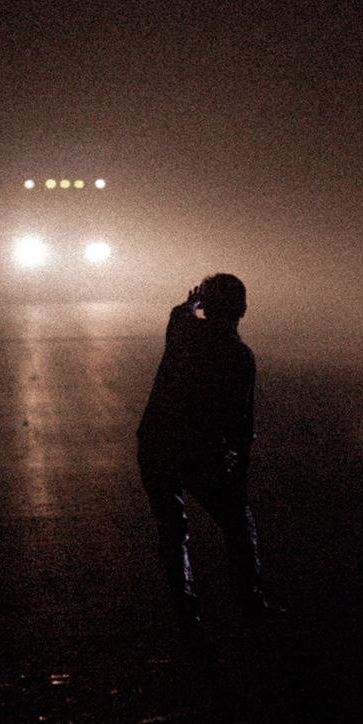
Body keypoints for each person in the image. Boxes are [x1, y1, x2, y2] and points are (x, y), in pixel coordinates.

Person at [137, 273, 279, 641]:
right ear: (242, 309)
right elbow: (240, 425)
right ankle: (251, 602)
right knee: (238, 526)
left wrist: (192, 302)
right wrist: (238, 473)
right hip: (200, 450)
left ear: (207, 307)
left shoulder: (183, 331)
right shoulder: (239, 356)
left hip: (156, 442)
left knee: (173, 532)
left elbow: (180, 312)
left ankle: (187, 616)